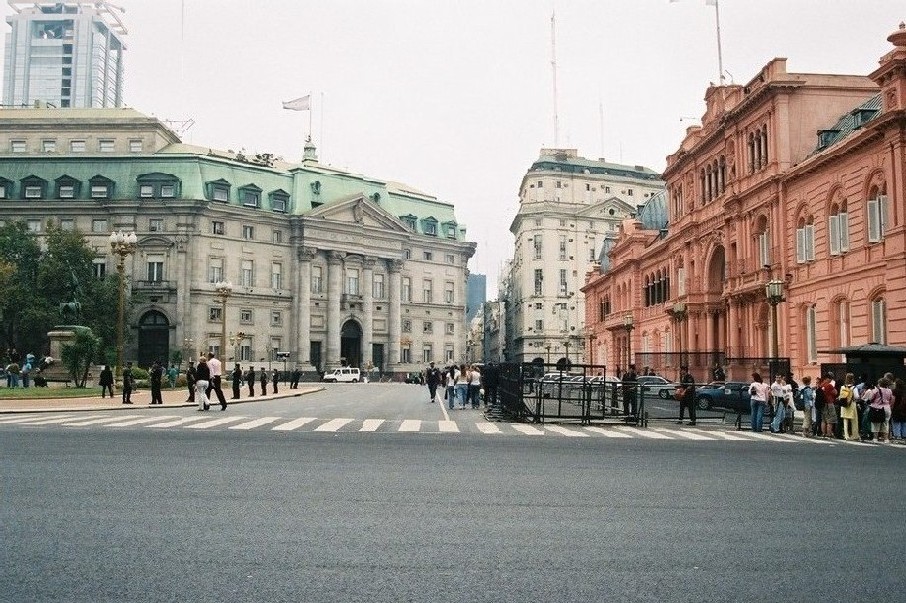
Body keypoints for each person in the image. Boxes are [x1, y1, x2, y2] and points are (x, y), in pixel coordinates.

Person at [865, 377, 893, 442]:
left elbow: (870, 398)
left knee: (875, 423)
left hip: (877, 408)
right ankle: (886, 439)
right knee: (886, 423)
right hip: (887, 408)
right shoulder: (889, 390)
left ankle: (875, 438)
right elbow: (891, 399)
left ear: (879, 383)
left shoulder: (876, 390)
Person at [838, 373, 859, 441]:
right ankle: (854, 435)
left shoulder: (842, 387)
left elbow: (840, 396)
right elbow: (857, 396)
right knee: (854, 420)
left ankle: (846, 435)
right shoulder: (854, 388)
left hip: (844, 405)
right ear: (853, 379)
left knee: (845, 420)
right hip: (852, 404)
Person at [890, 378, 906, 444]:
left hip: (896, 409)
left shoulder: (894, 391)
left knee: (896, 423)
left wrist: (891, 407)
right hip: (904, 409)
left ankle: (897, 436)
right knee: (904, 423)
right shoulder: (904, 391)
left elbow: (893, 400)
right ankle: (904, 436)